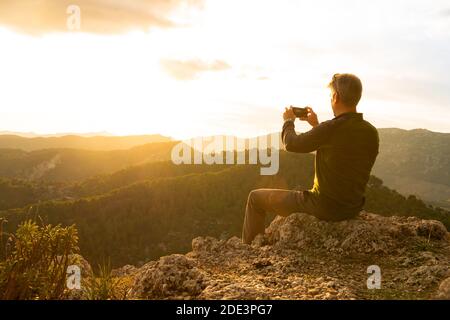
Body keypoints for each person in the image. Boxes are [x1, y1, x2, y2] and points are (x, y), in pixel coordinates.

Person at [242, 73, 379, 245]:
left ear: (336, 96)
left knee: (255, 198)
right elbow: (340, 148)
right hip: (352, 207)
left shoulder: (331, 129)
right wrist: (316, 125)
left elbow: (291, 144)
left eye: (331, 96)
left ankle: (247, 251)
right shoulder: (370, 132)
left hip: (324, 206)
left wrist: (288, 121)